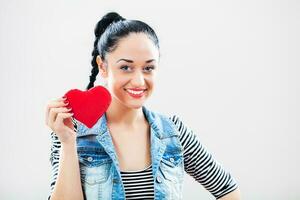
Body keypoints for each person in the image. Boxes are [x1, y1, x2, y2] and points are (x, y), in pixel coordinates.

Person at [45, 12, 241, 200]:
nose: (139, 81)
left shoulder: (173, 132)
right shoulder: (71, 131)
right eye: (125, 67)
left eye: (148, 68)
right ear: (102, 66)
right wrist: (68, 142)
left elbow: (227, 190)